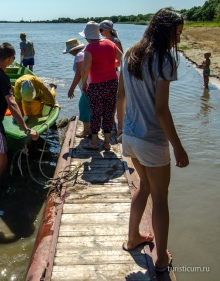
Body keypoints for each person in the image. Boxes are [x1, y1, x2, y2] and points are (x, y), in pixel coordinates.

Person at [116, 8, 189, 274]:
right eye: (176, 33)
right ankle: (160, 260)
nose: (177, 38)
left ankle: (133, 237)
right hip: (151, 139)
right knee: (160, 197)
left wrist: (120, 128)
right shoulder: (163, 60)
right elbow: (161, 110)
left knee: (144, 186)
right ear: (164, 30)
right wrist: (178, 147)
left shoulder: (129, 54)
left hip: (131, 136)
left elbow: (120, 95)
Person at [0, 42, 39, 195]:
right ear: (11, 58)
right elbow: (12, 104)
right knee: (2, 161)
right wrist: (26, 129)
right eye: (14, 57)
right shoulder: (2, 77)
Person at [80, 21, 123, 151]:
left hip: (97, 85)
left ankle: (94, 143)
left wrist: (83, 83)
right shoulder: (110, 43)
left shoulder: (90, 48)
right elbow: (121, 58)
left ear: (87, 37)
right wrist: (111, 65)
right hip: (112, 82)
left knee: (96, 113)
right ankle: (107, 143)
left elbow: (85, 68)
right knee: (109, 112)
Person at [63, 38, 91, 137]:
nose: (70, 53)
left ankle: (87, 131)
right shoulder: (86, 51)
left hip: (87, 85)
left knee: (83, 107)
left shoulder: (79, 56)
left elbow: (79, 74)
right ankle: (91, 129)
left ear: (74, 49)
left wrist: (71, 89)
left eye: (70, 51)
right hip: (93, 84)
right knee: (90, 107)